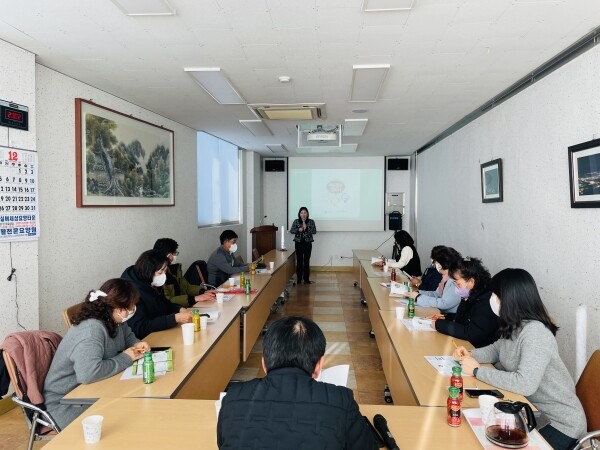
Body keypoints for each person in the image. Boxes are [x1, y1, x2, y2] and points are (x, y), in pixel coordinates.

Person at [453, 268, 586, 450]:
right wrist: (469, 355)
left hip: (560, 424)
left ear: (510, 300)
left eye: (496, 296)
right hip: (530, 413)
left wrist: (477, 371)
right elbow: (497, 350)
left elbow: (525, 384)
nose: (492, 300)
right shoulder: (515, 324)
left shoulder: (536, 333)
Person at [217, 316, 379, 450]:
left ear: (264, 363)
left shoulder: (233, 397)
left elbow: (223, 442)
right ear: (319, 365)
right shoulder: (341, 400)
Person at [43, 279, 149, 429]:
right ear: (118, 308)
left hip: (92, 390)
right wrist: (126, 358)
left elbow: (127, 335)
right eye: (131, 307)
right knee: (131, 413)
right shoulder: (91, 330)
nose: (133, 309)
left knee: (136, 402)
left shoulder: (115, 319)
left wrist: (136, 344)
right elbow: (88, 373)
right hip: (66, 403)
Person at [122, 249, 193, 339]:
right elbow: (140, 327)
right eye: (160, 272)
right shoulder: (130, 291)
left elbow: (163, 303)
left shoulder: (148, 280)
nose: (163, 275)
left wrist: (179, 309)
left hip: (161, 332)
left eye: (165, 271)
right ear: (148, 271)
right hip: (145, 340)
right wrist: (174, 318)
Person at [434, 256, 499, 348]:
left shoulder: (486, 302)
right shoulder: (470, 294)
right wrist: (446, 317)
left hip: (477, 349)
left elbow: (472, 334)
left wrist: (439, 324)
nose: (456, 287)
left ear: (471, 282)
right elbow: (464, 319)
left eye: (458, 284)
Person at [153, 238, 215, 307]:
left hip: (182, 307)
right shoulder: (157, 277)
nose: (175, 255)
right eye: (174, 253)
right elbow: (168, 300)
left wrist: (203, 291)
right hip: (174, 310)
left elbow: (186, 287)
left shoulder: (173, 270)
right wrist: (194, 298)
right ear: (167, 254)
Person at [405, 246, 462, 314]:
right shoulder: (445, 277)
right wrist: (418, 293)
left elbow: (444, 304)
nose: (435, 264)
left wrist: (418, 297)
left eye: (436, 262)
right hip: (439, 312)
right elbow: (436, 294)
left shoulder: (455, 280)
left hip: (449, 316)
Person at [289, 206, 317, 284]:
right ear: (299, 214)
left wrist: (307, 228)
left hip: (308, 243)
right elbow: (292, 231)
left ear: (307, 214)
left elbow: (314, 231)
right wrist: (298, 230)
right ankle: (299, 279)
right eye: (302, 213)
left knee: (306, 261)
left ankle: (306, 279)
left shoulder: (311, 221)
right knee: (299, 261)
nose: (303, 214)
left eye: (305, 213)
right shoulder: (296, 221)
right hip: (298, 243)